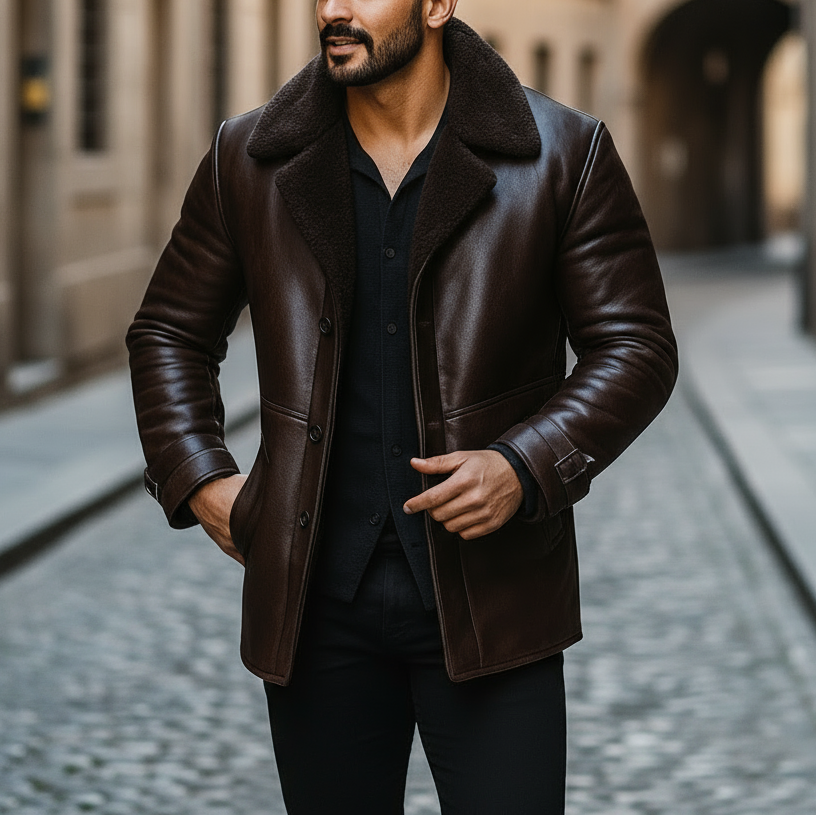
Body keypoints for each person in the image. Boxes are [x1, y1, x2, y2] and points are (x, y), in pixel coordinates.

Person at [127, 1, 678, 813]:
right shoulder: (248, 157)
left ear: (436, 4)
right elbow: (169, 329)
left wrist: (524, 465)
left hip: (496, 603)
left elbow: (636, 346)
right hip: (315, 610)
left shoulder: (564, 152)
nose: (332, 9)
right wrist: (198, 476)